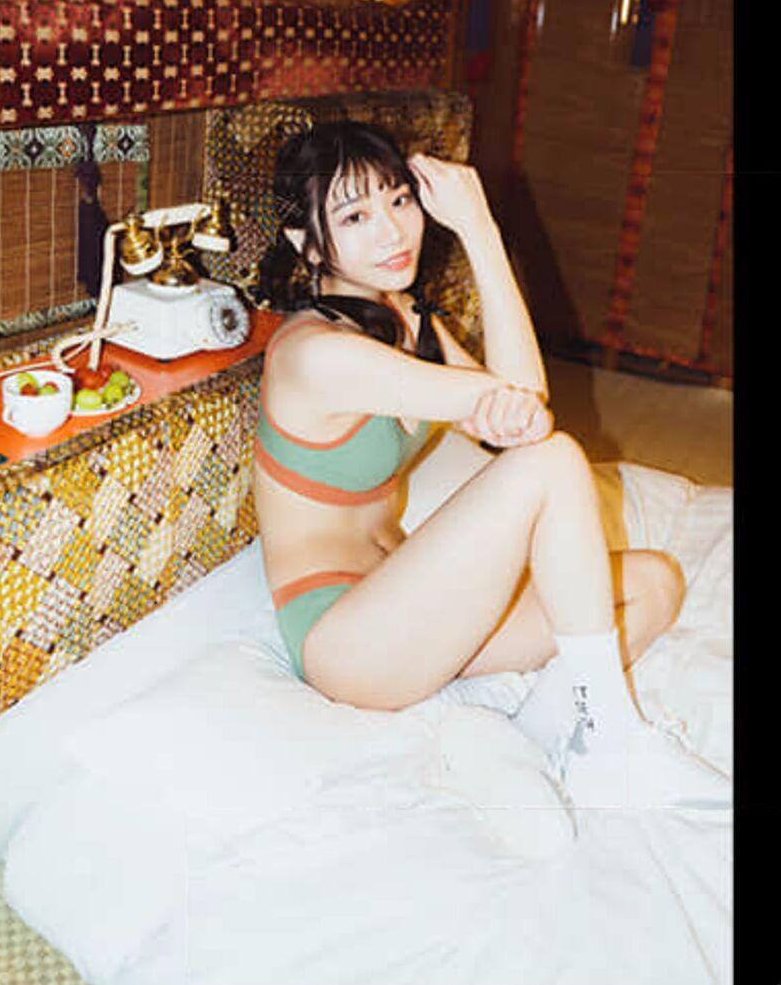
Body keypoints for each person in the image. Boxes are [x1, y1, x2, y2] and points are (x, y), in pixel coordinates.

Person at [252, 121, 728, 812]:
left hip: (415, 612)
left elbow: (521, 411)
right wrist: (480, 230)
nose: (392, 231)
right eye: (355, 216)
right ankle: (612, 744)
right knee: (551, 462)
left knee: (653, 585)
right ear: (307, 243)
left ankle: (537, 735)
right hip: (348, 644)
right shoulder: (314, 354)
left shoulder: (403, 319)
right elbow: (529, 425)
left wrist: (482, 233)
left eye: (399, 200)